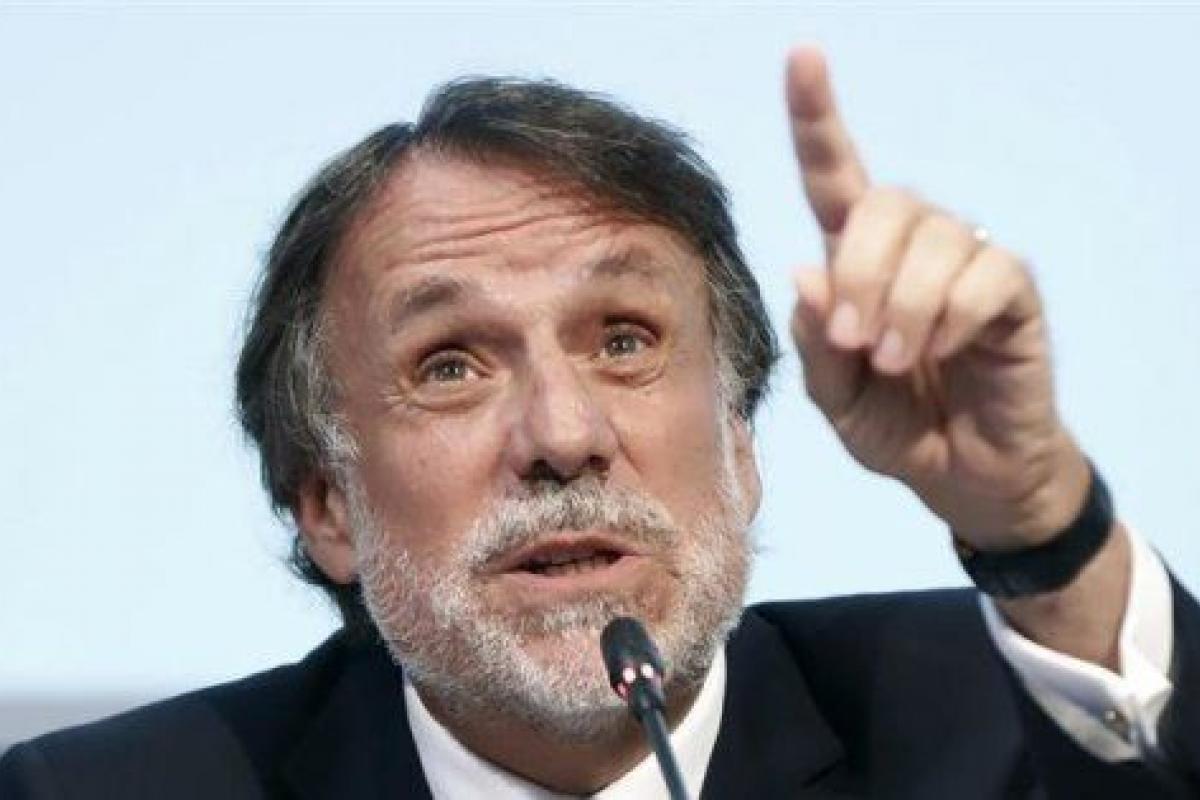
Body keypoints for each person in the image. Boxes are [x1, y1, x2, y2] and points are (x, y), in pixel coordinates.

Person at [1, 47, 1196, 799]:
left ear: (740, 441)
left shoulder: (989, 725)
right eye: (451, 364)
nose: (563, 434)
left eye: (624, 340)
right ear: (328, 504)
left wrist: (1042, 524)